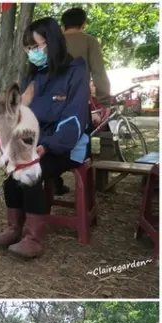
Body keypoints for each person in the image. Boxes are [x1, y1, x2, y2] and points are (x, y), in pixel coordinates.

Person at [0, 16, 90, 259]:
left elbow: (74, 121)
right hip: (35, 144)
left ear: (52, 42)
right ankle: (14, 228)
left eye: (37, 46)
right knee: (11, 176)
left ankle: (33, 238)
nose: (32, 53)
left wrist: (46, 146)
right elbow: (22, 118)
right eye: (29, 48)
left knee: (29, 175)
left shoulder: (75, 71)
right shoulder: (33, 77)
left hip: (67, 146)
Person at [58, 6, 110, 195]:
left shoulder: (54, 43)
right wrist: (105, 101)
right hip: (78, 106)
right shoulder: (89, 41)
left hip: (53, 105)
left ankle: (53, 179)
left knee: (50, 140)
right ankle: (85, 190)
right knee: (83, 142)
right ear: (83, 24)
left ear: (63, 25)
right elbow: (98, 72)